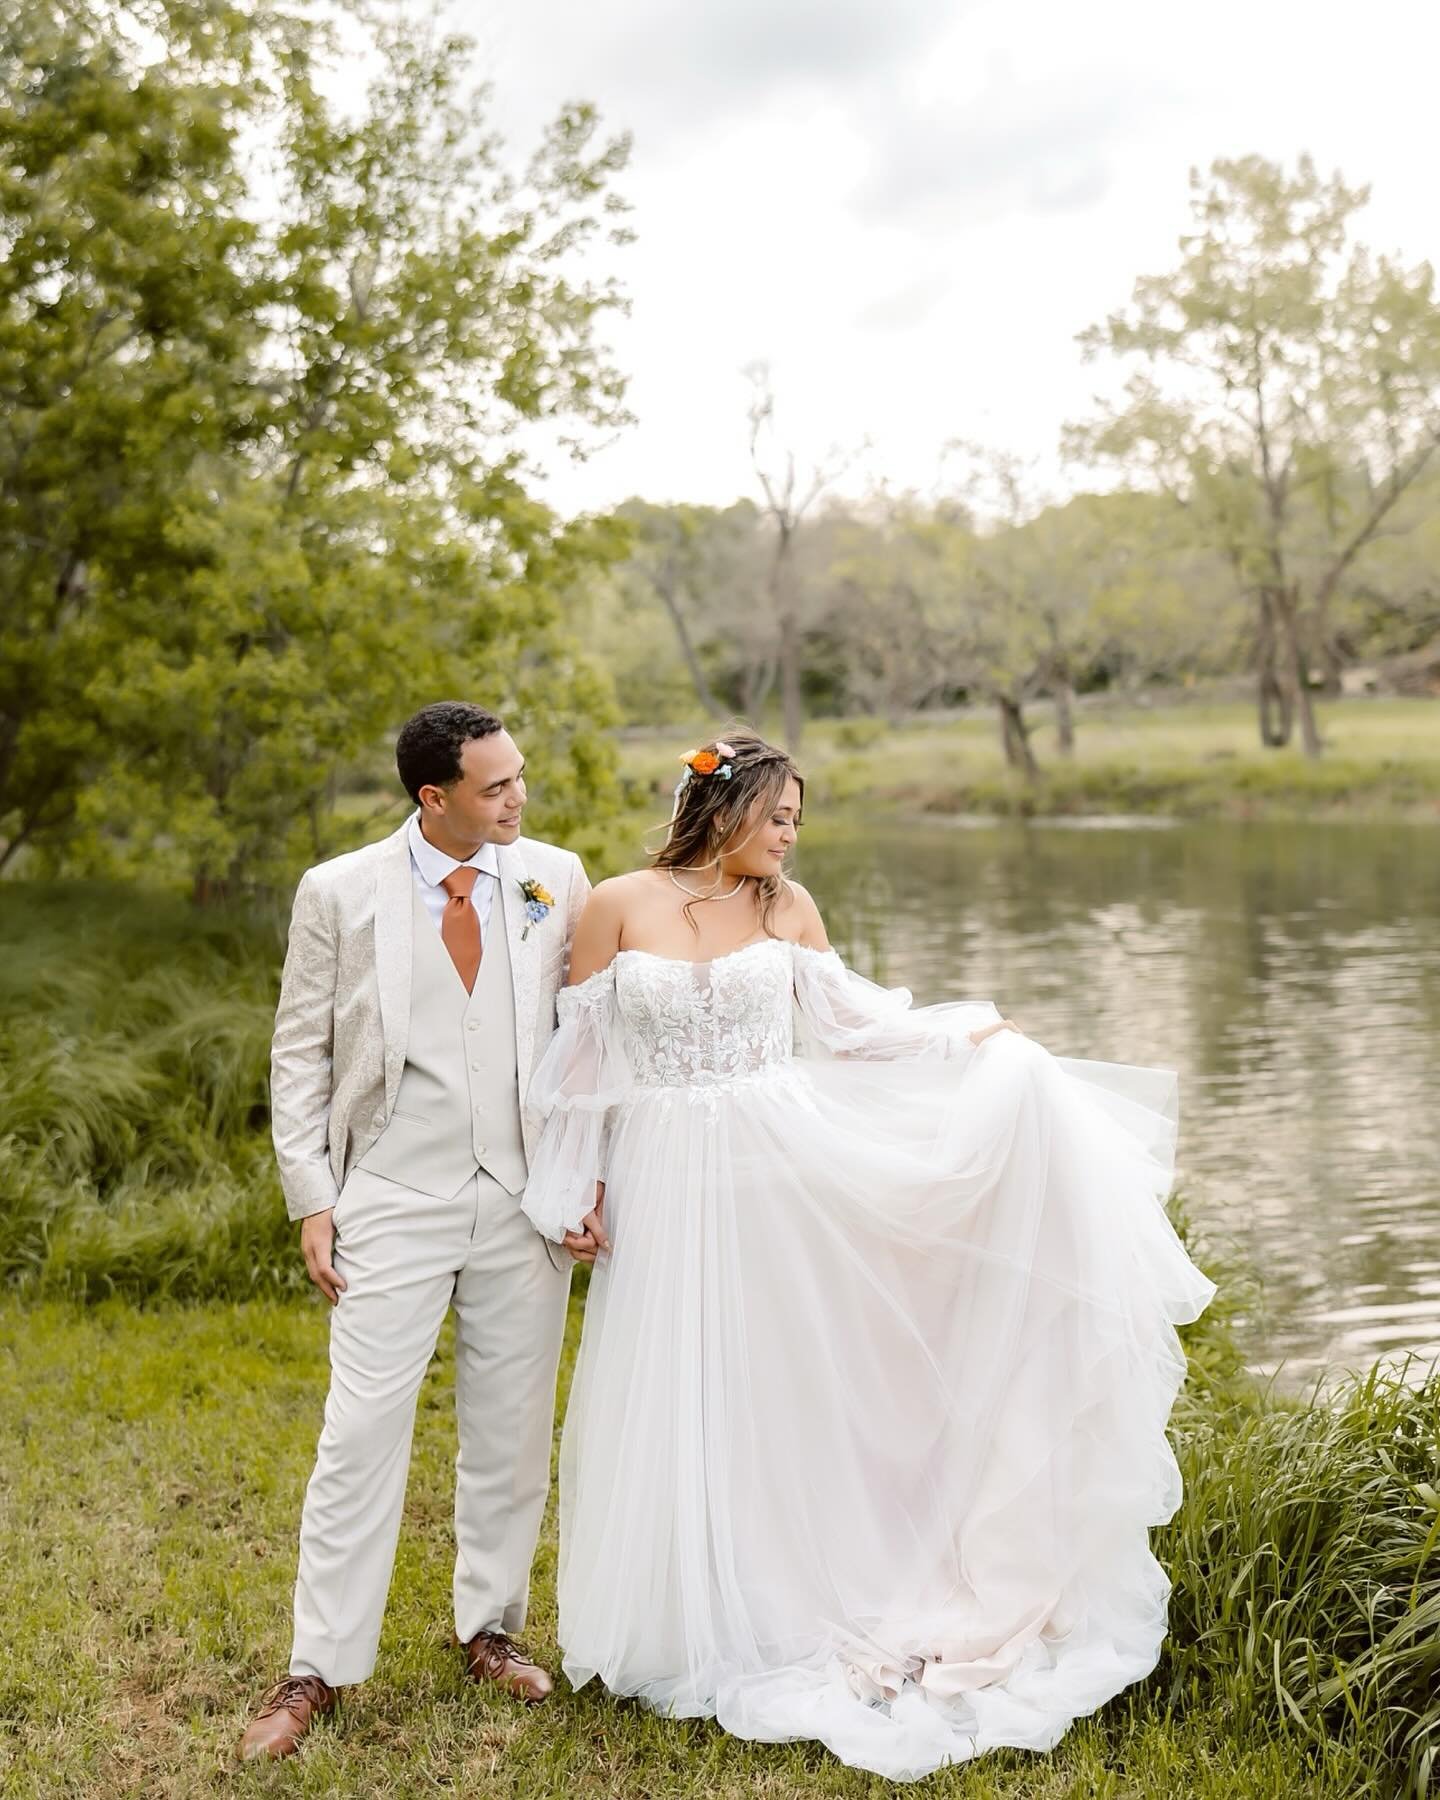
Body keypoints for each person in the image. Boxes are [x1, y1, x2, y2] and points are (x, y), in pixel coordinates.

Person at [523, 732, 1216, 1783]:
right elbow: (577, 1065)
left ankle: (806, 1589)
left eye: (800, 818)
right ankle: (696, 1609)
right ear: (727, 807)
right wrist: (573, 1188)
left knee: (782, 1383)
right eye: (782, 814)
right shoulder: (616, 903)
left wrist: (971, 1045)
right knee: (684, 1381)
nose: (794, 834)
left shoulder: (788, 911)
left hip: (774, 1165)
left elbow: (851, 1032)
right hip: (666, 1168)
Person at [239, 702, 590, 1762]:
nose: (518, 798)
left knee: (512, 1430)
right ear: (433, 797)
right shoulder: (339, 890)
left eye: (519, 777)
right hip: (391, 1190)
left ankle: (491, 1629)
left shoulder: (553, 878)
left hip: (520, 1198)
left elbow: (583, 1038)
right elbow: (300, 1048)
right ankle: (317, 1666)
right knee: (359, 1436)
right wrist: (313, 1193)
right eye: (496, 787)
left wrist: (583, 1174)